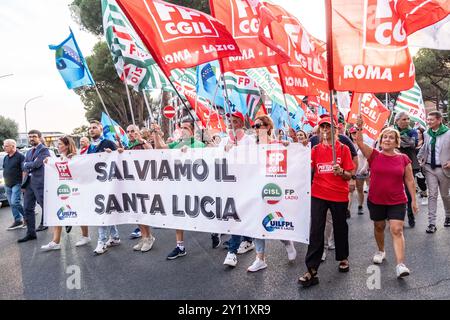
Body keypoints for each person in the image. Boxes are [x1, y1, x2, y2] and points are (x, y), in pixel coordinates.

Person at [355, 116, 418, 278]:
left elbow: (410, 180)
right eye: (385, 137)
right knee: (379, 226)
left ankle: (400, 265)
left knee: (396, 230)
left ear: (397, 142)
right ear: (381, 140)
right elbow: (360, 143)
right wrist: (360, 127)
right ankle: (381, 250)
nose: (387, 139)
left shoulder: (403, 159)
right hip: (376, 200)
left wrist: (414, 201)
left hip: (397, 200)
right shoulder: (374, 155)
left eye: (391, 137)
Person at [298, 116, 354, 287]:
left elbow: (349, 175)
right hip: (319, 193)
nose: (324, 130)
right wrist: (295, 149)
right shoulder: (315, 149)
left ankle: (343, 257)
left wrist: (342, 171)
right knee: (316, 229)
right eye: (322, 127)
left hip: (338, 194)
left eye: (328, 126)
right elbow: (305, 166)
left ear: (335, 130)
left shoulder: (343, 149)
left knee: (340, 226)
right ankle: (311, 269)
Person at [243, 115, 297, 272]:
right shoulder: (252, 147)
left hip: (273, 190)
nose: (255, 128)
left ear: (267, 127)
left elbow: (292, 159)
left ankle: (287, 242)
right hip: (255, 191)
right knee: (255, 224)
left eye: (258, 125)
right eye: (254, 126)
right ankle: (260, 258)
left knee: (274, 221)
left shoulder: (277, 144)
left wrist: (289, 146)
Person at [152, 120, 206, 260]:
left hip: (197, 188)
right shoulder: (177, 143)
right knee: (178, 214)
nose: (183, 130)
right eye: (181, 128)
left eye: (186, 128)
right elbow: (160, 149)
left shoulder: (199, 144)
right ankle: (180, 246)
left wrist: (189, 153)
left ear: (193, 131)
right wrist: (156, 133)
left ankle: (215, 232)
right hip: (179, 187)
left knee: (204, 213)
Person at [41, 136, 91, 251]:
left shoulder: (76, 157)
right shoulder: (59, 158)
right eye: (57, 144)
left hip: (76, 191)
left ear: (67, 145)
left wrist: (71, 160)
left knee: (79, 212)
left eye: (60, 144)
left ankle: (85, 236)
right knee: (58, 213)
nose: (58, 146)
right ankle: (55, 241)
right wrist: (48, 162)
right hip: (63, 191)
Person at [221, 112, 257, 267]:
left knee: (240, 214)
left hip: (246, 184)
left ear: (242, 124)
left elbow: (255, 159)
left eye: (235, 121)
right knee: (236, 214)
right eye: (230, 121)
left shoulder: (249, 141)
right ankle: (247, 240)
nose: (232, 124)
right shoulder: (223, 140)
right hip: (229, 184)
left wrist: (237, 151)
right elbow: (216, 158)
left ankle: (232, 251)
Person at [117, 125, 156, 252]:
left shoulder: (143, 143)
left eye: (133, 131)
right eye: (128, 132)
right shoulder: (128, 146)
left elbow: (152, 152)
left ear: (138, 132)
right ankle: (145, 237)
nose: (130, 133)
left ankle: (149, 237)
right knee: (136, 210)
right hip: (132, 182)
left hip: (144, 182)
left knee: (143, 210)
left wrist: (142, 141)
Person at [87, 121, 120, 255]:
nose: (91, 130)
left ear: (101, 129)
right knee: (105, 210)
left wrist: (112, 152)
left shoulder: (108, 143)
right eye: (90, 128)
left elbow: (121, 155)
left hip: (108, 183)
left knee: (102, 211)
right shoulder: (90, 147)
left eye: (94, 128)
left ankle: (102, 241)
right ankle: (115, 237)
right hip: (97, 184)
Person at [417, 111, 450, 233]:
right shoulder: (426, 133)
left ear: (439, 120)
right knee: (432, 195)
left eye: (431, 119)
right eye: (428, 119)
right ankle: (431, 223)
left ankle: (448, 215)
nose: (428, 121)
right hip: (430, 168)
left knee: (445, 195)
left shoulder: (448, 133)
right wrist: (420, 158)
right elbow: (425, 147)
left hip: (444, 169)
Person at [18, 130, 51, 243]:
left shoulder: (44, 150)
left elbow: (37, 164)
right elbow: (23, 166)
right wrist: (28, 165)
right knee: (27, 208)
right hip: (28, 184)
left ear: (40, 137)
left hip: (40, 183)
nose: (31, 138)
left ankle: (62, 224)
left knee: (45, 206)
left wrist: (28, 164)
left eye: (34, 136)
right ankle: (31, 233)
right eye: (30, 137)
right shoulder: (28, 152)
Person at [394, 112, 420, 227]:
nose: (407, 121)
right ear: (397, 121)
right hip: (394, 164)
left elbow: (412, 144)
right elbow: (389, 144)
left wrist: (399, 142)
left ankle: (410, 216)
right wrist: (401, 142)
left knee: (408, 191)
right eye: (404, 119)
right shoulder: (392, 131)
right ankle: (396, 217)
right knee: (395, 191)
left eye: (408, 119)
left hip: (410, 164)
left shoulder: (413, 131)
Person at [2, 139, 25, 230]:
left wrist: (24, 184)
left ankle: (27, 218)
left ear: (13, 146)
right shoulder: (6, 157)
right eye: (4, 146)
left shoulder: (20, 156)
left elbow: (24, 171)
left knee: (15, 202)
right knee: (12, 204)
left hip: (17, 183)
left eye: (6, 146)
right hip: (7, 184)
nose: (4, 147)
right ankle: (17, 220)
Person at [348, 127, 369, 215]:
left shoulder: (364, 144)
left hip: (360, 171)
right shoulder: (348, 144)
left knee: (359, 190)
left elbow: (368, 157)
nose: (354, 135)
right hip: (351, 171)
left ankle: (360, 206)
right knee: (350, 190)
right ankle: (347, 210)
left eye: (355, 133)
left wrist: (364, 168)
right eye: (352, 133)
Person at [415, 127, 428, 205]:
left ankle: (425, 195)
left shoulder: (424, 143)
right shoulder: (413, 142)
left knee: (421, 182)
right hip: (412, 164)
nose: (417, 134)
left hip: (421, 165)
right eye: (416, 132)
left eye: (419, 133)